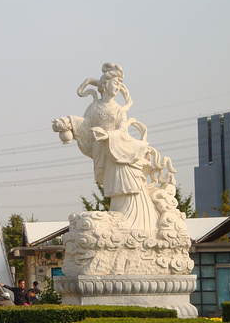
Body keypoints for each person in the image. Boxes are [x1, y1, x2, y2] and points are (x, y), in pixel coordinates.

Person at [52, 62, 159, 231]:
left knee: (126, 185)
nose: (118, 87)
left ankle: (136, 222)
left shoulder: (118, 109)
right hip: (103, 151)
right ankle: (120, 216)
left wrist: (108, 135)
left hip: (117, 150)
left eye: (120, 84)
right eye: (115, 83)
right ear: (104, 84)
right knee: (114, 187)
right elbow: (86, 124)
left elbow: (123, 130)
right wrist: (69, 121)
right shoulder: (93, 107)